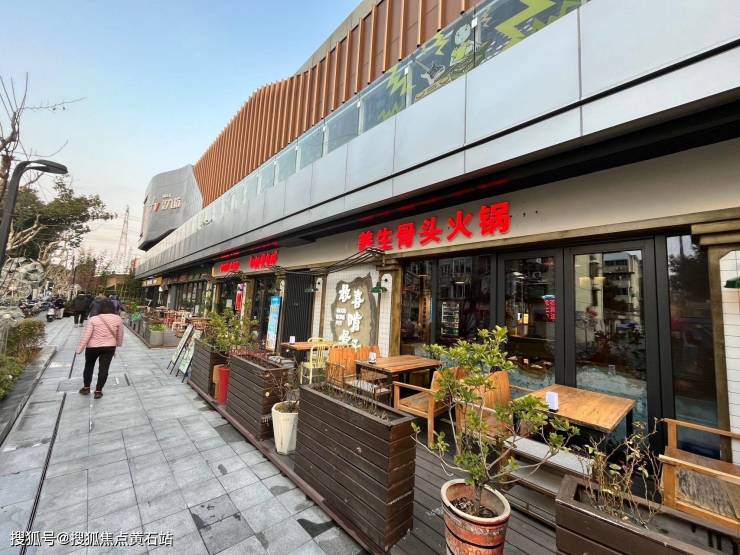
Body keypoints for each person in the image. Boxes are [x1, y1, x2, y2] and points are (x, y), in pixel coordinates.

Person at [77, 300, 123, 399]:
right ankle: (98, 391)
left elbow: (87, 335)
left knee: (89, 366)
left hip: (92, 348)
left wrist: (80, 349)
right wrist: (118, 344)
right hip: (109, 347)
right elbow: (120, 334)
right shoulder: (118, 319)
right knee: (104, 369)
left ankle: (86, 388)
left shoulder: (93, 319)